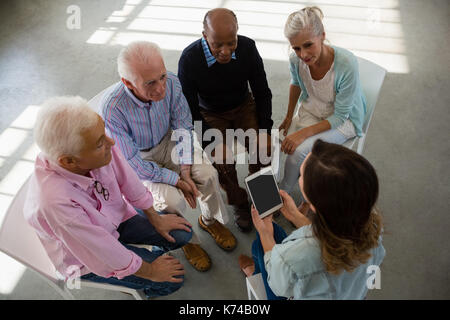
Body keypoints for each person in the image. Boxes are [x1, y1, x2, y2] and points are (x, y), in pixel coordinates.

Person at [24, 96, 193, 298]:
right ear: (69, 161)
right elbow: (101, 249)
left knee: (182, 233)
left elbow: (128, 180)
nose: (111, 142)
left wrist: (156, 218)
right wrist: (151, 270)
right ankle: (141, 286)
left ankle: (142, 257)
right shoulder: (54, 203)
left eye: (103, 131)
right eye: (99, 143)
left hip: (115, 218)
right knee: (170, 281)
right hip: (85, 258)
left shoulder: (92, 148)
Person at [102, 41, 236, 273]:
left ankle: (209, 221)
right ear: (128, 83)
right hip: (141, 159)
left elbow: (183, 126)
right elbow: (133, 164)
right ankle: (188, 242)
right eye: (150, 83)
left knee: (207, 174)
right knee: (171, 199)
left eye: (162, 76)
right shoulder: (113, 110)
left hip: (170, 140)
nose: (161, 88)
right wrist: (175, 180)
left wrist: (184, 170)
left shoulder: (172, 82)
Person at [238, 139, 385, 299]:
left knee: (261, 244)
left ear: (313, 205)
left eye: (302, 174)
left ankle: (257, 271)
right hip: (351, 291)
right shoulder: (374, 226)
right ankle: (258, 267)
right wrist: (296, 216)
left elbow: (278, 287)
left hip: (289, 285)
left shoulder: (291, 260)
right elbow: (330, 237)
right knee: (276, 234)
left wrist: (265, 233)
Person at [178, 8, 274, 232]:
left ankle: (262, 195)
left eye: (231, 43)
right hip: (210, 113)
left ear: (237, 33)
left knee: (263, 150)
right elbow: (189, 110)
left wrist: (265, 129)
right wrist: (212, 143)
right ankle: (240, 203)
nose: (225, 51)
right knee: (223, 161)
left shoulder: (248, 47)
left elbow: (262, 90)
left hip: (243, 105)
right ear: (204, 36)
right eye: (217, 44)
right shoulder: (189, 59)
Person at [278, 6, 367, 198]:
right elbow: (296, 84)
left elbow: (341, 115)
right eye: (296, 48)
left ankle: (283, 191)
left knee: (296, 153)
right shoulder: (295, 60)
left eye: (308, 45)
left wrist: (301, 134)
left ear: (323, 36)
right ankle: (300, 180)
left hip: (344, 119)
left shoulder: (346, 64)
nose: (303, 54)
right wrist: (287, 117)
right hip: (314, 106)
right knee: (281, 142)